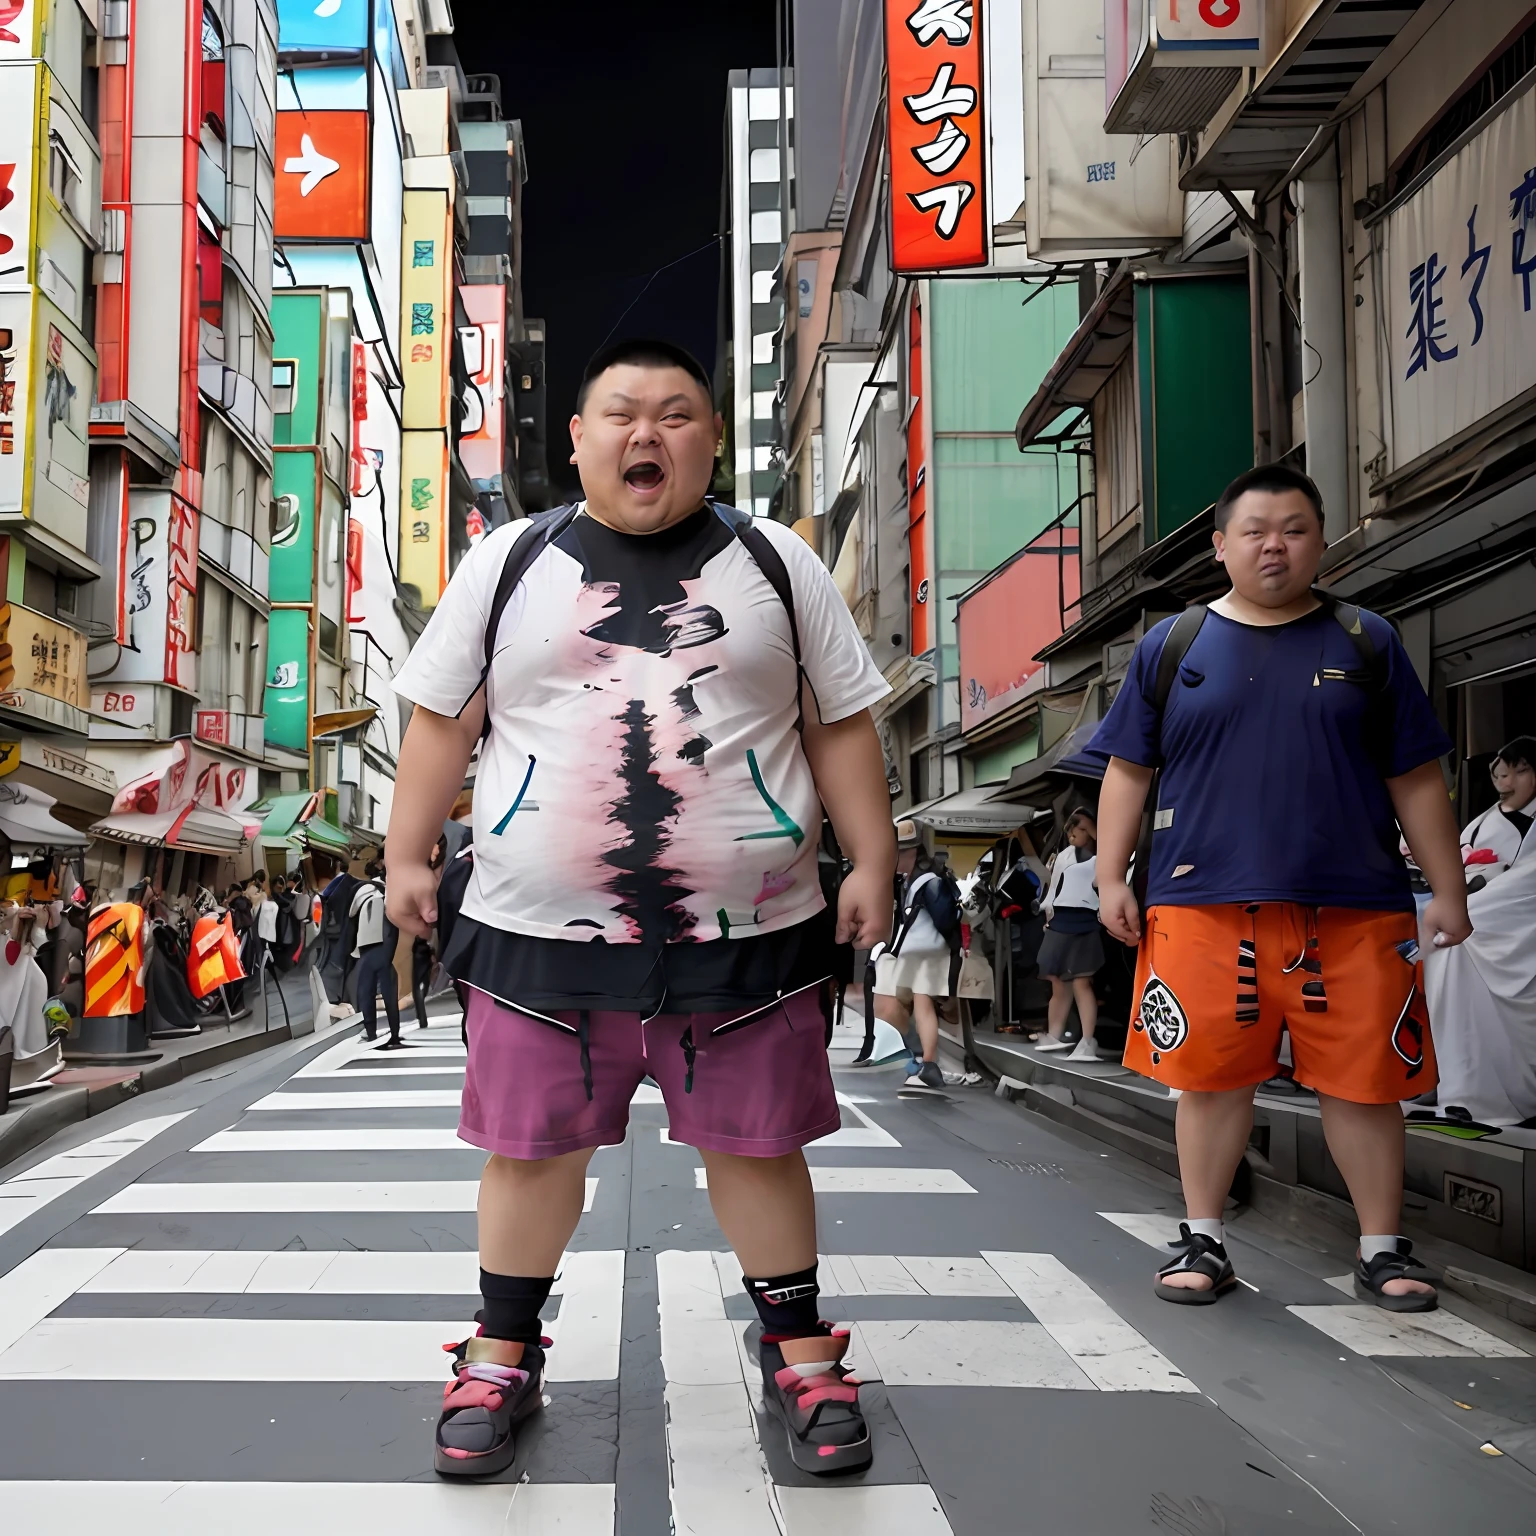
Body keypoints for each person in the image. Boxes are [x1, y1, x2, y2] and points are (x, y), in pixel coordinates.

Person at [386, 337, 894, 1480]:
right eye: (621, 413)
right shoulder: (514, 559)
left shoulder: (775, 561)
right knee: (530, 1153)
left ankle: (802, 1350)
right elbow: (439, 720)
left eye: (675, 414)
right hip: (535, 933)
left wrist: (872, 857)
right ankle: (501, 1350)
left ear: (711, 441)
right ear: (578, 439)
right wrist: (405, 852)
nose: (646, 434)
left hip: (751, 934)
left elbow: (841, 722)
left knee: (758, 1150)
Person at [1091, 464, 1470, 1313]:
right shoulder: (1173, 646)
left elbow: (1415, 776)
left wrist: (1448, 888)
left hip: (1356, 903)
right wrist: (1111, 877)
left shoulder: (1367, 641)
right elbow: (1126, 769)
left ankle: (1382, 1247)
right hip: (1202, 902)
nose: (1275, 545)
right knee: (1212, 1081)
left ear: (1321, 542)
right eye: (1255, 529)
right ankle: (1203, 1236)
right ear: (1220, 545)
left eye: (1295, 528)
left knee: (1367, 1084)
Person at [1423, 737, 1536, 1125]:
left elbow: (1526, 880)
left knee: (1452, 941)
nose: (1508, 780)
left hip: (1512, 920)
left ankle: (1479, 1090)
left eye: (1520, 771)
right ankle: (1441, 1073)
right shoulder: (1483, 819)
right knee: (1433, 940)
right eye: (1502, 772)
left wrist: (1473, 900)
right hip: (1476, 905)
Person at [873, 849, 963, 1093]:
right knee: (911, 1005)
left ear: (911, 853)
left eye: (898, 854)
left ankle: (929, 1064)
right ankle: (924, 1060)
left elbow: (944, 920)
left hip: (927, 953)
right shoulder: (914, 880)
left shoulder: (927, 882)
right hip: (921, 952)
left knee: (922, 1008)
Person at [1033, 809, 1103, 1061]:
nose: (1074, 833)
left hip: (1086, 918)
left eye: (1081, 829)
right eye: (1072, 828)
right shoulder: (1063, 855)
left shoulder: (1103, 855)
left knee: (1081, 981)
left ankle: (1087, 1041)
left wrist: (1094, 830)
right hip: (1060, 918)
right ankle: (1055, 1034)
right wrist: (1047, 915)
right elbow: (1052, 889)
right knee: (1057, 980)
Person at [350, 857, 402, 1048]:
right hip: (385, 947)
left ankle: (371, 1031)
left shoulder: (362, 891)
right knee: (388, 991)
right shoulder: (392, 892)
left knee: (366, 991)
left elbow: (351, 913)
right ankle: (394, 1031)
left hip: (366, 947)